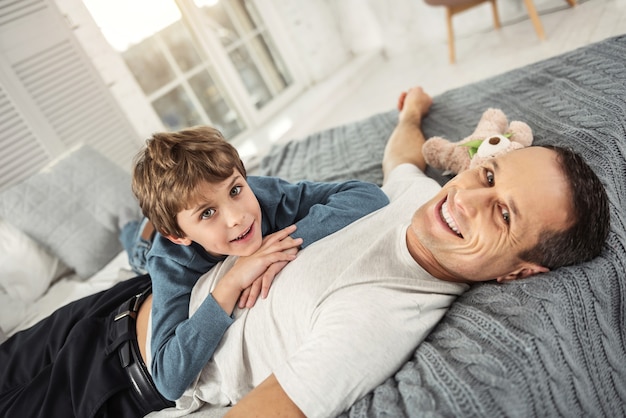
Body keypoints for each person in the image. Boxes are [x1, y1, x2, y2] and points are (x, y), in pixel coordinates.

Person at [152, 86, 608, 417]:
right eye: (488, 175)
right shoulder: (418, 197)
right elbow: (401, 161)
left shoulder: (380, 318)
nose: (464, 198)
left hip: (133, 364)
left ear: (521, 273)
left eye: (504, 216)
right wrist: (412, 114)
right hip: (163, 289)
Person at [124, 126, 390, 401]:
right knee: (137, 255)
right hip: (149, 249)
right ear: (178, 235)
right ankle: (134, 229)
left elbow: (368, 195)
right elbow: (168, 378)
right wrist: (231, 282)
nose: (237, 217)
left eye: (235, 190)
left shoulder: (265, 195)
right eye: (208, 213)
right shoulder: (169, 261)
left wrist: (283, 246)